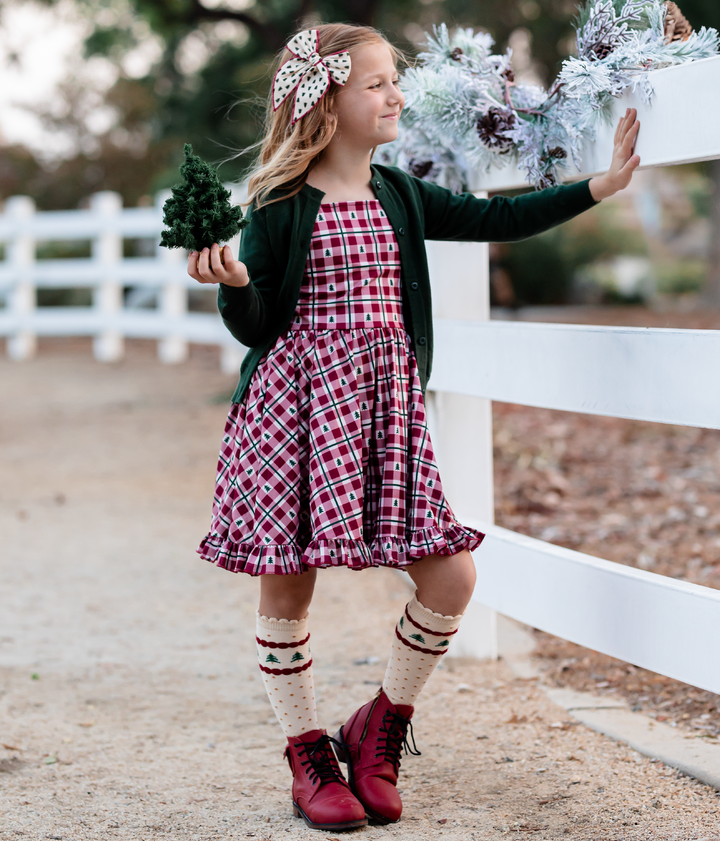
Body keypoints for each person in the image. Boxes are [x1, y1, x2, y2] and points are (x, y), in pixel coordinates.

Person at [187, 22, 641, 833]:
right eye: (376, 83)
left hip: (385, 414)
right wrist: (232, 285)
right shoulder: (280, 206)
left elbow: (491, 220)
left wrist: (597, 187)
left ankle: (379, 726)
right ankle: (306, 750)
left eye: (394, 80)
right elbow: (256, 322)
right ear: (327, 101)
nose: (396, 95)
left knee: (452, 578)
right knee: (289, 585)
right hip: (296, 416)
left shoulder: (398, 192)